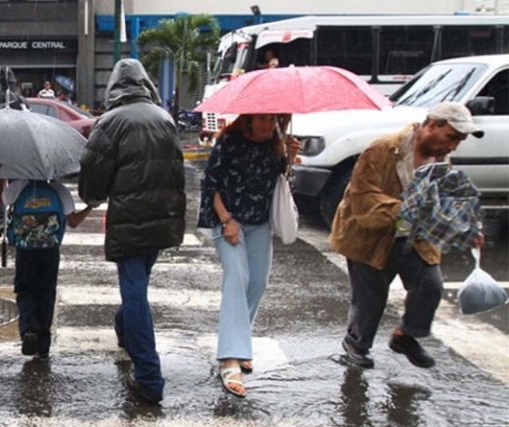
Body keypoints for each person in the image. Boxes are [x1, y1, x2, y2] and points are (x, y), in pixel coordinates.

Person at [331, 102, 485, 370]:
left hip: (414, 237)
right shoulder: (383, 150)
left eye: (460, 140)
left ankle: (406, 336)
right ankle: (356, 345)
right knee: (371, 298)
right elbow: (363, 197)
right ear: (433, 125)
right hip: (370, 235)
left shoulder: (440, 160)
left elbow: (444, 200)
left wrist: (465, 228)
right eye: (452, 137)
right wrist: (407, 210)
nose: (454, 146)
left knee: (430, 285)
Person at [78, 58, 186, 405]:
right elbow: (178, 171)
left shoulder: (110, 122)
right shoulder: (164, 118)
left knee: (135, 292)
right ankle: (125, 328)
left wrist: (91, 199)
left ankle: (149, 378)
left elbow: (92, 176)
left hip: (129, 220)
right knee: (138, 285)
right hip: (163, 218)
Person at [198, 114, 300, 398]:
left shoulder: (275, 143)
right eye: (263, 120)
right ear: (249, 121)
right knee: (237, 278)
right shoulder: (229, 141)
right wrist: (226, 219)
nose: (268, 125)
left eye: (274, 120)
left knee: (258, 282)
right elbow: (210, 184)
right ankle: (230, 358)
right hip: (228, 220)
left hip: (259, 223)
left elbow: (279, 179)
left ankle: (239, 342)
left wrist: (289, 157)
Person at [4, 180, 92, 359]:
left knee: (25, 289)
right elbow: (73, 221)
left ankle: (29, 329)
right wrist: (90, 207)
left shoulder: (18, 187)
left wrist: (1, 181)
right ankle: (43, 344)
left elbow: (1, 200)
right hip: (50, 249)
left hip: (25, 249)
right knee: (46, 291)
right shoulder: (58, 189)